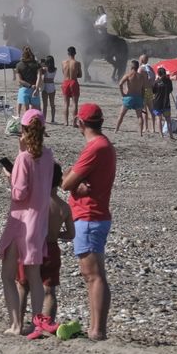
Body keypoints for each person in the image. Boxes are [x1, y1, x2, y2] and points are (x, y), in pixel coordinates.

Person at [0, 109, 54, 337]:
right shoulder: (48, 155)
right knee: (34, 277)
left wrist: (9, 176)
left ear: (22, 130)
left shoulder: (24, 158)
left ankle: (16, 325)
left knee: (8, 276)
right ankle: (37, 324)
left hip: (21, 222)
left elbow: (19, 194)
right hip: (38, 222)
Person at [62, 102, 115, 341]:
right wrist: (75, 185)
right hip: (92, 215)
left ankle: (98, 330)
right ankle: (96, 328)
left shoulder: (95, 147)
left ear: (80, 122)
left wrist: (72, 183)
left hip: (90, 216)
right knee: (91, 275)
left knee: (93, 275)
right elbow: (71, 182)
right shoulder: (102, 146)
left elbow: (65, 182)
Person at [21, 163, 75, 326]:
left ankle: (18, 322)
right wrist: (55, 233)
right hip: (51, 248)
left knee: (24, 286)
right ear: (59, 181)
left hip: (33, 247)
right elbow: (71, 234)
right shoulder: (64, 207)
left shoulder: (36, 202)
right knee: (49, 291)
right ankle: (46, 324)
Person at [115, 60, 145, 133]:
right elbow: (143, 89)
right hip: (138, 97)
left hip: (129, 97)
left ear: (131, 66)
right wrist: (143, 98)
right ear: (138, 67)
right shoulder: (141, 76)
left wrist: (122, 93)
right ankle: (140, 132)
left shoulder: (128, 75)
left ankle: (116, 130)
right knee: (139, 116)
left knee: (121, 115)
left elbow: (120, 84)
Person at [15, 46, 41, 116]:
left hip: (24, 89)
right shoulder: (36, 64)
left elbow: (19, 80)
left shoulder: (19, 65)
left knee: (26, 111)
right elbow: (39, 77)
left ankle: (26, 124)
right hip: (34, 89)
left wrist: (29, 85)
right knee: (36, 111)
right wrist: (36, 88)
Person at [151, 62, 174, 137]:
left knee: (159, 118)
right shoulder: (169, 81)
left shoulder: (156, 82)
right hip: (166, 103)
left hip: (157, 103)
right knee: (168, 119)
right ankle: (171, 135)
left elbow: (153, 91)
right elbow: (171, 90)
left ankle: (161, 134)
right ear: (164, 73)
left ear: (158, 74)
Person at [60, 46, 83, 121]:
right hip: (73, 82)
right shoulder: (77, 63)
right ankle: (74, 122)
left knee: (66, 103)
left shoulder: (63, 62)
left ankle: (66, 122)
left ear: (68, 53)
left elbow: (63, 72)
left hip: (65, 82)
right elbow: (80, 75)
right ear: (75, 53)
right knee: (74, 103)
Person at [39, 55, 58, 125]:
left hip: (45, 86)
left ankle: (44, 118)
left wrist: (41, 64)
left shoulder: (44, 69)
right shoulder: (55, 69)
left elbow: (41, 72)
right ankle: (53, 119)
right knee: (52, 104)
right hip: (52, 86)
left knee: (45, 105)